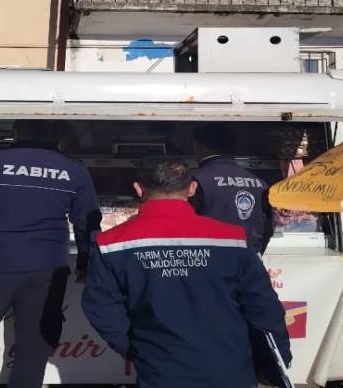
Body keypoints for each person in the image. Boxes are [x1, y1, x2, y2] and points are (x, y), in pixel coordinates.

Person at [82, 158, 291, 388]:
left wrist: (132, 348)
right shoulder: (232, 239)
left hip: (159, 369)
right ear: (192, 189)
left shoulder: (111, 243)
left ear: (139, 189)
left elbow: (101, 307)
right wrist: (276, 363)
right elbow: (263, 306)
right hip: (231, 367)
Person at [0, 119, 101, 388]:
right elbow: (88, 223)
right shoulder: (74, 169)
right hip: (48, 270)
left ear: (16, 133)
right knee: (34, 350)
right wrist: (86, 264)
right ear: (57, 136)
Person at [190, 123, 274, 253]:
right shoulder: (259, 182)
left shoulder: (195, 179)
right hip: (249, 255)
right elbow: (267, 227)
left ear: (201, 146)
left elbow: (185, 222)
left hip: (212, 257)